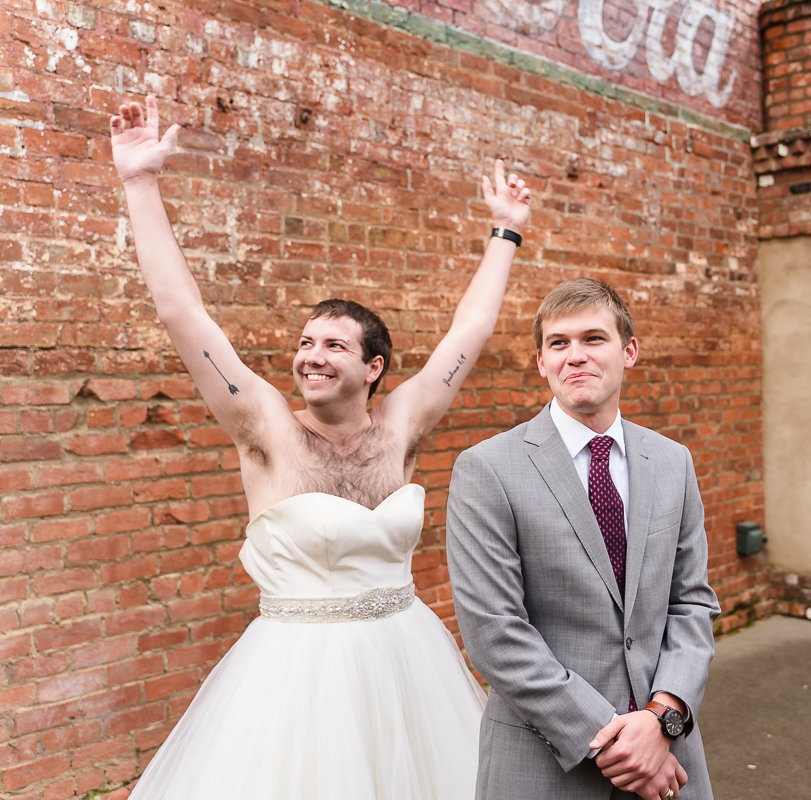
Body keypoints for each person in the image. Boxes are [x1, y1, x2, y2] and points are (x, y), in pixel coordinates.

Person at [109, 95, 531, 799]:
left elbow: (470, 332)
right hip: (292, 681)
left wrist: (506, 233)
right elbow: (183, 313)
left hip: (407, 662)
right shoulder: (265, 428)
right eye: (306, 343)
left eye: (333, 345)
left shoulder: (401, 426)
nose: (311, 356)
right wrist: (139, 181)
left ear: (373, 368)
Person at [446, 279, 721, 800]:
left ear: (629, 352)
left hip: (669, 754)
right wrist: (618, 743)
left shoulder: (671, 462)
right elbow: (494, 634)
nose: (576, 356)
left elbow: (692, 603)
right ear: (541, 362)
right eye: (559, 343)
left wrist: (661, 719)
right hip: (545, 762)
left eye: (594, 339)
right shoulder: (487, 470)